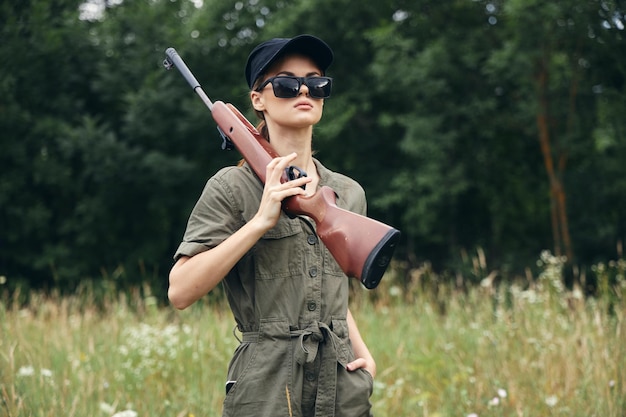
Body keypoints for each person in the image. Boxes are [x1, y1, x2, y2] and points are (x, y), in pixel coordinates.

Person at [168, 34, 376, 417]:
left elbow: (332, 291)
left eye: (316, 83)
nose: (303, 90)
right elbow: (180, 291)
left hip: (342, 386)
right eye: (284, 83)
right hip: (267, 388)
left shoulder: (347, 193)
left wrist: (363, 355)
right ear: (257, 100)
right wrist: (259, 223)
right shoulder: (231, 187)